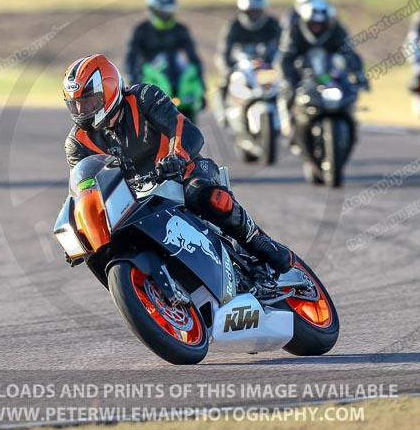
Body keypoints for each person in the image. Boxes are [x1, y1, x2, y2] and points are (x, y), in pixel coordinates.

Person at [63, 54, 294, 276]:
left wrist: (177, 158)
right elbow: (84, 189)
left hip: (182, 174)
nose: (82, 111)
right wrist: (81, 230)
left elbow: (185, 130)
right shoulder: (76, 142)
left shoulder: (144, 97)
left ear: (109, 91)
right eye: (76, 105)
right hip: (132, 202)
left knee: (210, 197)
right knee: (99, 249)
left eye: (88, 102)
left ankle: (260, 242)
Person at [214, 0, 281, 120]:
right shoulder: (234, 26)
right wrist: (227, 70)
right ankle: (223, 114)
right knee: (224, 83)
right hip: (243, 67)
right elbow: (223, 52)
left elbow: (284, 46)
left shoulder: (272, 24)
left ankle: (287, 117)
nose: (254, 16)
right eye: (250, 12)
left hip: (267, 67)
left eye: (257, 12)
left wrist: (277, 64)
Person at [124, 0, 204, 90]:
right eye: (162, 13)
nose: (166, 17)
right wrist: (134, 84)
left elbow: (193, 58)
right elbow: (131, 59)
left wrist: (201, 83)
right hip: (151, 77)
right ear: (152, 10)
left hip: (177, 74)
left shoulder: (180, 29)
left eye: (169, 12)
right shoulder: (141, 30)